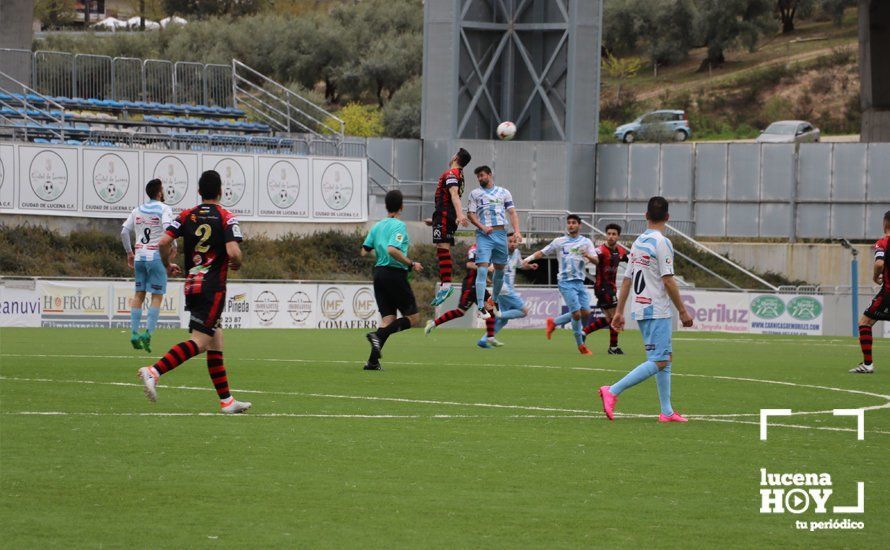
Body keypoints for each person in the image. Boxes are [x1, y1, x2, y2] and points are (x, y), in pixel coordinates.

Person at [136, 170, 251, 414]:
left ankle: (226, 400)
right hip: (213, 287)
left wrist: (167, 265)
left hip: (193, 284)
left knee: (215, 339)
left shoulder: (187, 215)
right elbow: (233, 252)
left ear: (199, 192)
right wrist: (239, 261)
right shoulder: (226, 217)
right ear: (221, 192)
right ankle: (154, 371)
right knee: (200, 342)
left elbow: (164, 242)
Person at [599, 196, 694, 423]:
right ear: (668, 218)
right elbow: (669, 280)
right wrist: (682, 310)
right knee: (660, 360)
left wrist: (620, 311)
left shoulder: (639, 242)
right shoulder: (662, 243)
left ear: (645, 216)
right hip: (657, 308)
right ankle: (612, 390)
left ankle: (667, 411)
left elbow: (626, 279)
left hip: (641, 307)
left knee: (664, 358)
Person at [362, 190, 423, 370]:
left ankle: (373, 362)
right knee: (413, 318)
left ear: (386, 206)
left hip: (379, 274)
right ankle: (377, 336)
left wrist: (378, 254)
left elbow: (364, 250)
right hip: (394, 274)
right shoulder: (398, 226)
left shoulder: (377, 226)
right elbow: (392, 250)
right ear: (401, 206)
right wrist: (411, 263)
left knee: (388, 319)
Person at [522, 214, 599, 355]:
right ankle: (581, 346)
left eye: (574, 223)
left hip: (579, 282)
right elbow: (543, 252)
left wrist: (587, 256)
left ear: (579, 225)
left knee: (586, 312)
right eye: (569, 223)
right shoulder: (559, 241)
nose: (571, 225)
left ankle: (554, 322)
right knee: (576, 314)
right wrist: (528, 258)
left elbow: (597, 261)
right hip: (565, 282)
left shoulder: (586, 242)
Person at [120, 179, 178, 352]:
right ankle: (148, 334)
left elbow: (124, 232)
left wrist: (129, 253)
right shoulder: (164, 209)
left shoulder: (137, 210)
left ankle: (134, 333)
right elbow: (169, 229)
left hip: (139, 257)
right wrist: (174, 247)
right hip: (155, 257)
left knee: (139, 295)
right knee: (157, 297)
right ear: (159, 193)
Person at [466, 165, 522, 320]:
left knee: (499, 271)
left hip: (500, 234)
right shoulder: (475, 194)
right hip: (484, 235)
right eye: (478, 176)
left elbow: (512, 212)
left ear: (490, 175)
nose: (480, 178)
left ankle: (494, 300)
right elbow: (470, 214)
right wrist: (482, 227)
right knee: (482, 269)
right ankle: (481, 307)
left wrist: (517, 231)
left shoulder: (504, 192)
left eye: (482, 175)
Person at [424, 244, 497, 347]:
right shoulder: (475, 248)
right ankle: (433, 324)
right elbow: (469, 264)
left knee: (490, 308)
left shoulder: (487, 248)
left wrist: (485, 278)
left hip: (478, 286)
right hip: (470, 286)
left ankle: (489, 338)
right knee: (461, 312)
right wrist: (486, 268)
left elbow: (478, 269)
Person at [431, 148, 471, 306]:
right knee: (442, 246)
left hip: (445, 215)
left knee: (442, 246)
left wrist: (460, 215)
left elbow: (454, 194)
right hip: (444, 214)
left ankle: (446, 285)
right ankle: (445, 284)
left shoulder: (452, 173)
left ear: (455, 157)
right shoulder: (459, 174)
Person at [852, 210, 890, 374]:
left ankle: (868, 364)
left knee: (864, 323)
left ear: (885, 223)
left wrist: (876, 276)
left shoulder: (883, 242)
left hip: (888, 293)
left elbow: (879, 264)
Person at [583, 223, 629, 354]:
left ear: (618, 236)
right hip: (603, 288)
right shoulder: (600, 250)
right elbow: (596, 259)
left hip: (611, 288)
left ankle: (584, 332)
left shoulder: (620, 251)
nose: (610, 236)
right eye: (608, 234)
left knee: (610, 319)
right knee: (615, 317)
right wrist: (587, 256)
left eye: (614, 234)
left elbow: (629, 259)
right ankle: (613, 348)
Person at [488, 232, 538, 344]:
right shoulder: (500, 252)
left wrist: (530, 266)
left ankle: (486, 338)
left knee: (504, 320)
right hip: (502, 288)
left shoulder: (516, 252)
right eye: (510, 241)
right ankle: (496, 313)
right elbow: (491, 265)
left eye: (514, 241)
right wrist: (490, 267)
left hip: (507, 288)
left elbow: (520, 265)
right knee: (524, 311)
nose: (512, 244)